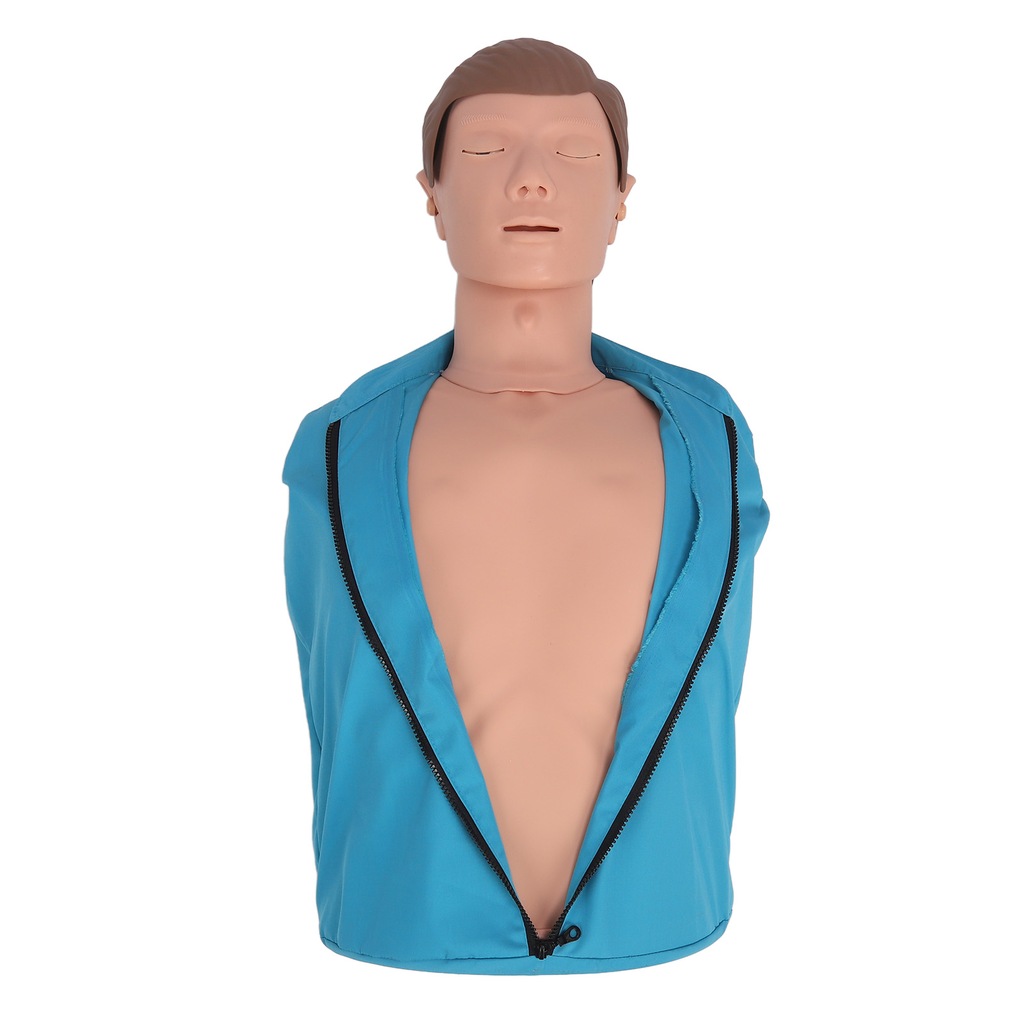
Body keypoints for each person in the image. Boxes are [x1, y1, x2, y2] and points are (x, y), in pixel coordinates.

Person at [283, 38, 768, 974]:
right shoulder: (339, 450)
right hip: (401, 934)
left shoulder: (712, 440)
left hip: (667, 938)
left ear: (623, 197)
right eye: (485, 150)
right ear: (430, 193)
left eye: (575, 153)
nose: (532, 178)